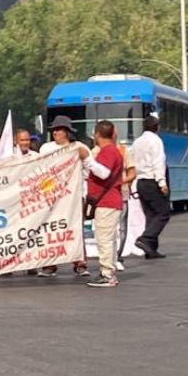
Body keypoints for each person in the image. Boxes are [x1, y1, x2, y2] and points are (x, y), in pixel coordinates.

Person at [35, 116, 92, 277]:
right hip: (51, 196)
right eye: (54, 130)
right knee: (51, 229)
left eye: (59, 130)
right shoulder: (46, 148)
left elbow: (88, 170)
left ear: (67, 132)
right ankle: (49, 264)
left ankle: (80, 262)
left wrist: (83, 162)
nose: (55, 132)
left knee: (75, 229)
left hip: (73, 195)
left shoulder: (78, 147)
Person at [85, 121, 125, 288]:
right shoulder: (112, 151)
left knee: (104, 238)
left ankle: (107, 273)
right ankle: (110, 269)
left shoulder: (108, 152)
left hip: (107, 201)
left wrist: (87, 160)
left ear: (97, 135)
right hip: (110, 200)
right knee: (109, 238)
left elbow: (103, 173)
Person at [132, 113, 170, 258]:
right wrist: (162, 182)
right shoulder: (156, 141)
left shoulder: (137, 142)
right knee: (163, 213)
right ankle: (146, 239)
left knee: (150, 215)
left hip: (141, 181)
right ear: (157, 127)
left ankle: (151, 249)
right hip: (152, 180)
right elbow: (158, 162)